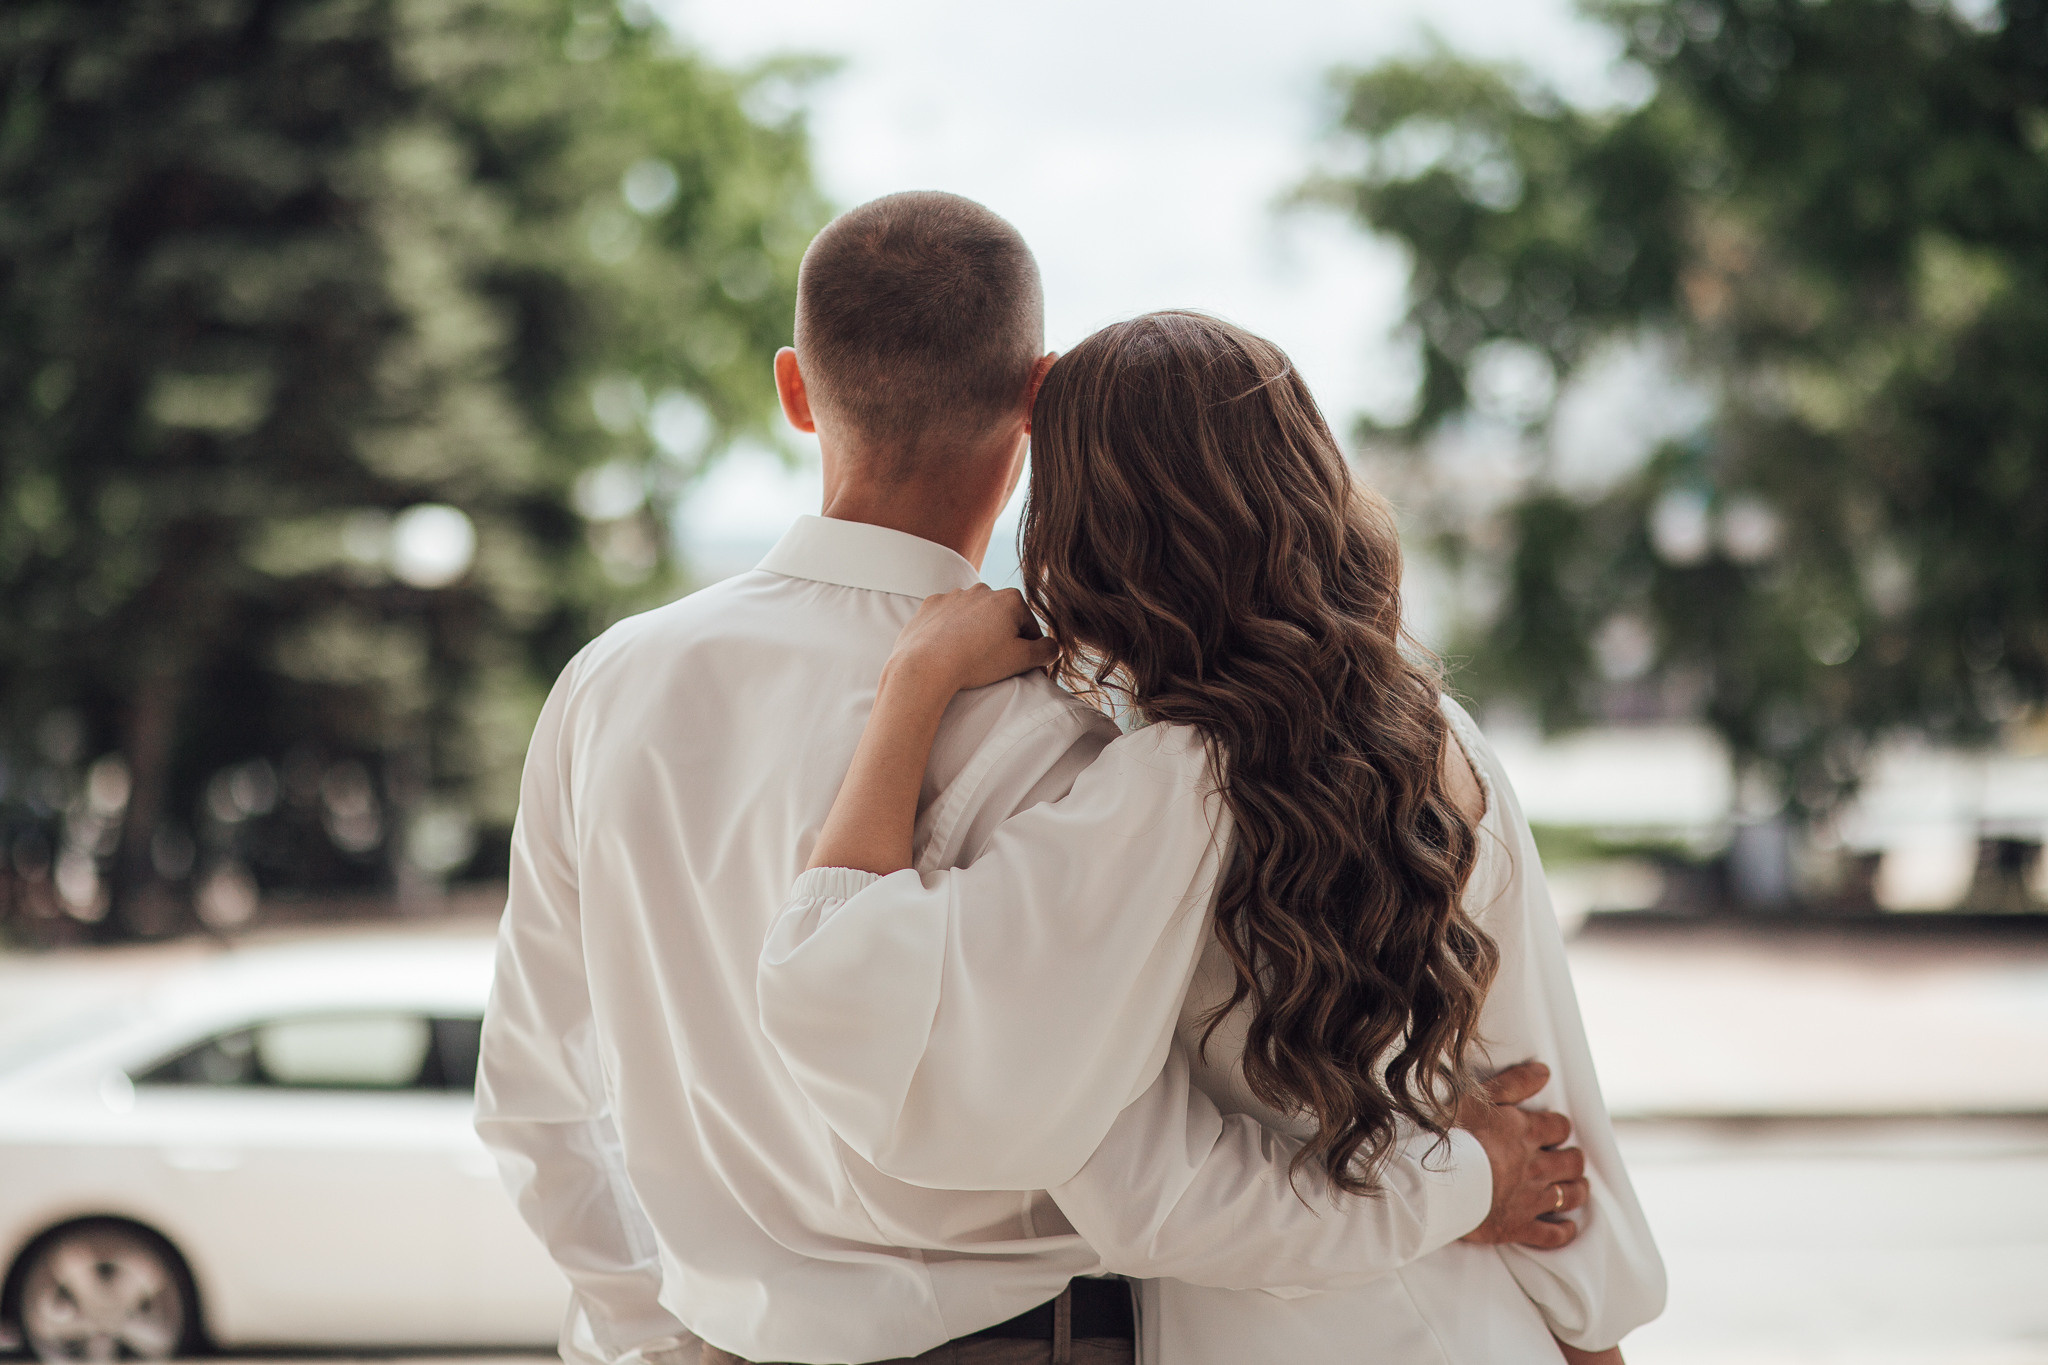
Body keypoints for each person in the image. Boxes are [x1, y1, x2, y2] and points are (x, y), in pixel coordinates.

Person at [476, 196, 1588, 1365]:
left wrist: (656, 1337)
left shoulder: (605, 688)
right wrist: (1458, 1176)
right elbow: (1162, 1168)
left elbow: (535, 1100)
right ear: (1036, 397)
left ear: (794, 390)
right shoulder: (1077, 740)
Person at [760, 311, 1666, 1363]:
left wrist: (910, 687)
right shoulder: (1434, 735)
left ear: (1087, 528)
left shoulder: (1154, 791)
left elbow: (832, 979)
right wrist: (1519, 1234)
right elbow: (1547, 1114)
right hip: (1491, 1332)